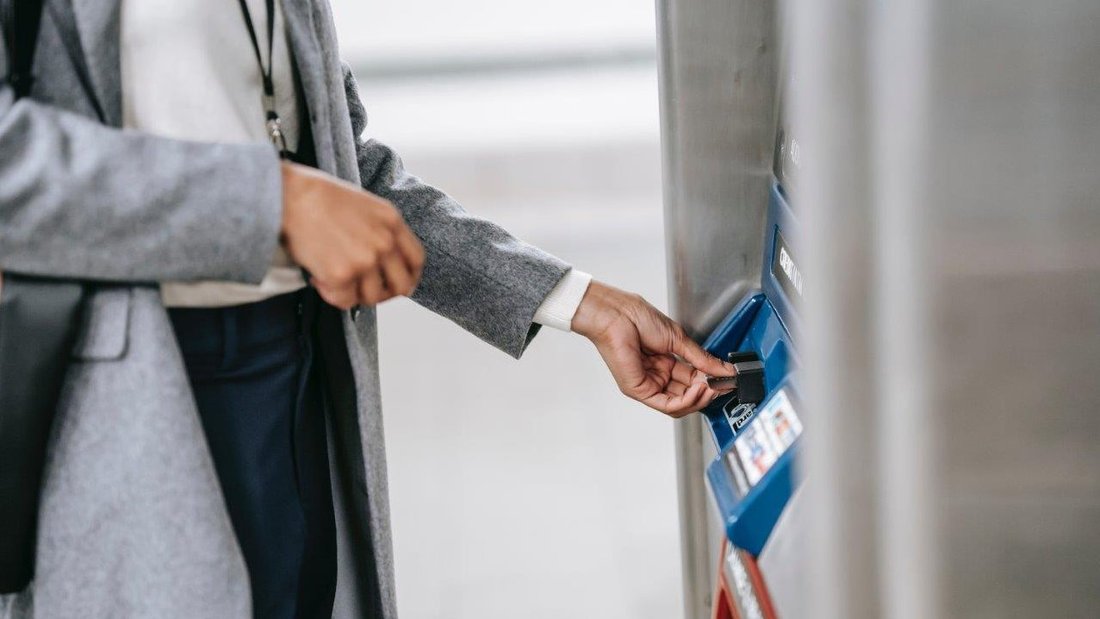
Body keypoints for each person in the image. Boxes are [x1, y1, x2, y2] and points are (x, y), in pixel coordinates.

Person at [0, 1, 735, 617]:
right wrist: (272, 201)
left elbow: (346, 174)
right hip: (125, 399)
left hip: (295, 371)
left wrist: (574, 299)